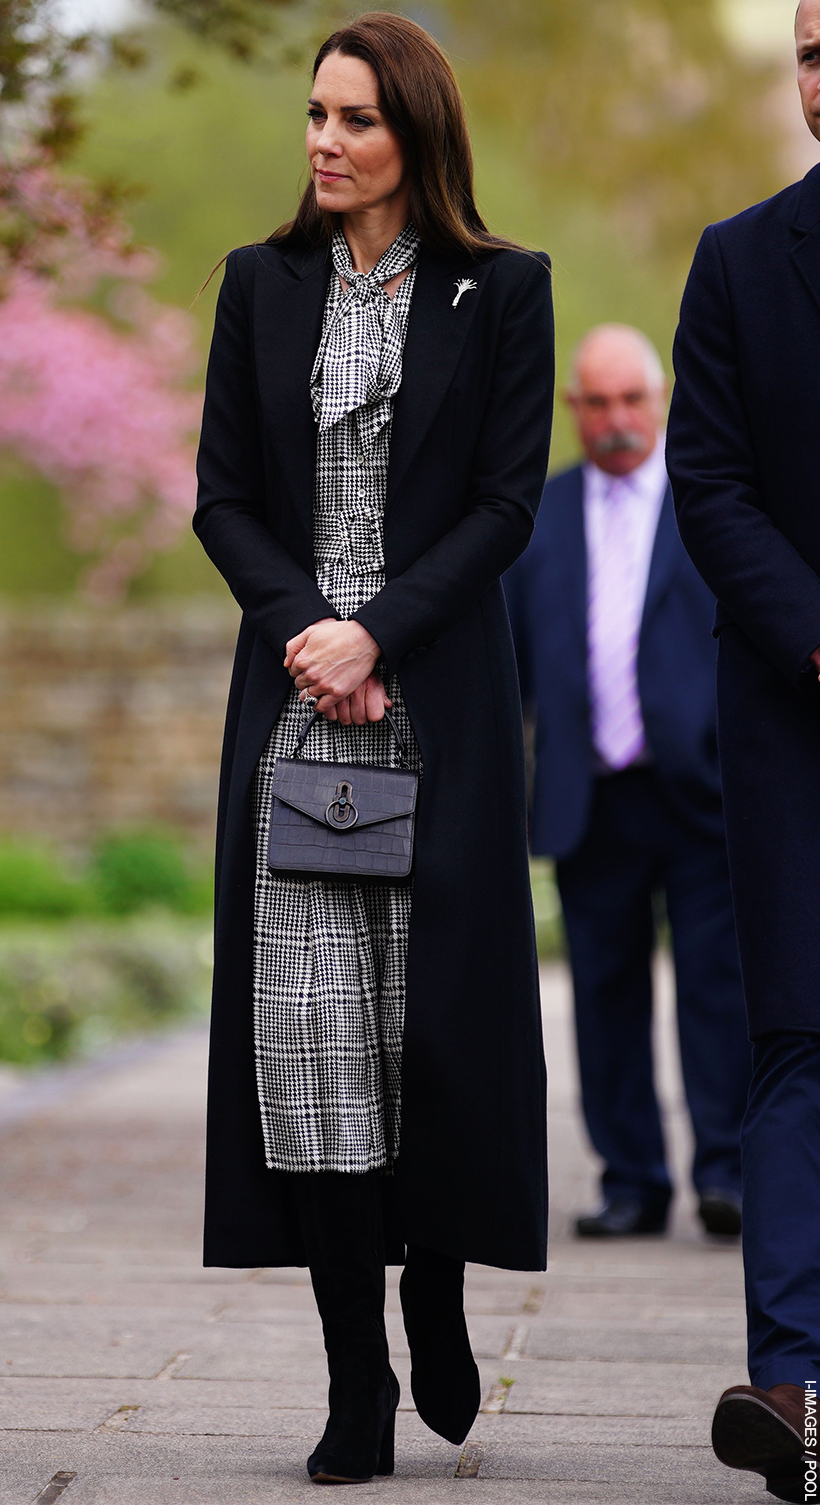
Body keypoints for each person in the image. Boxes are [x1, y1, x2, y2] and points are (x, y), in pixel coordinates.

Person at [194, 11, 554, 1487]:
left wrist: (380, 632)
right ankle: (357, 1382)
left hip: (440, 714)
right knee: (315, 1043)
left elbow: (503, 504)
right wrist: (309, 630)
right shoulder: (257, 286)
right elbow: (221, 495)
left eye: (356, 119)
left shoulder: (503, 288)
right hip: (295, 716)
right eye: (315, 115)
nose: (326, 142)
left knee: (435, 1039)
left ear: (417, 134)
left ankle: (440, 1282)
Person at [666, 4, 820, 1499]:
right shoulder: (736, 262)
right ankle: (794, 1383)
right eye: (815, 48)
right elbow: (708, 486)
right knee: (800, 1044)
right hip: (796, 723)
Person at [505, 324, 751, 1242]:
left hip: (700, 790)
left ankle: (726, 1172)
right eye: (595, 403)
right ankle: (630, 1182)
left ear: (661, 400)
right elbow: (510, 658)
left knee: (718, 989)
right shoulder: (537, 515)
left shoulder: (712, 502)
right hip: (588, 791)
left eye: (630, 400)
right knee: (604, 992)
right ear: (573, 409)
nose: (614, 420)